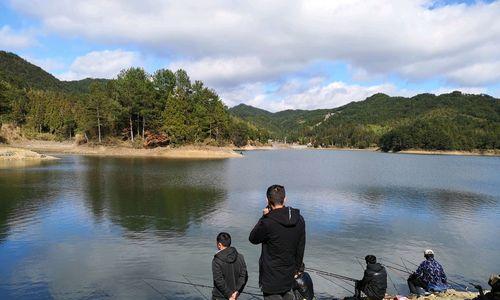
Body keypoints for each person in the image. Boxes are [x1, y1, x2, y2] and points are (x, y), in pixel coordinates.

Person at [249, 184, 306, 300]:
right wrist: (298, 270)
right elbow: (301, 248)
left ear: (267, 200)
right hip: (289, 276)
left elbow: (253, 239)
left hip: (271, 279)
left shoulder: (267, 222)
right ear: (285, 199)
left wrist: (263, 217)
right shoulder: (299, 219)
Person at [212, 232, 248, 300]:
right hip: (235, 296)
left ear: (219, 244)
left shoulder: (217, 260)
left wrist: (229, 295)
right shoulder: (240, 257)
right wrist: (237, 292)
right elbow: (244, 276)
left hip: (219, 296)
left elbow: (218, 280)